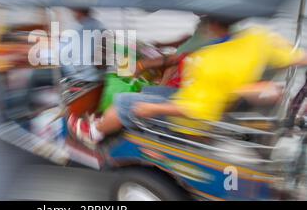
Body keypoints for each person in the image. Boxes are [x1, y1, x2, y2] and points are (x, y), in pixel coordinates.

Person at [68, 20, 307, 145]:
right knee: (150, 88)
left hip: (199, 121)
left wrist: (154, 109)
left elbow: (198, 108)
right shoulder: (259, 37)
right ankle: (105, 122)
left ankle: (95, 132)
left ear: (211, 26)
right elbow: (297, 57)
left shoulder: (209, 58)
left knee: (123, 101)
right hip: (223, 104)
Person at [62, 7, 106, 83]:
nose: (72, 14)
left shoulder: (93, 27)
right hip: (88, 76)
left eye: (74, 11)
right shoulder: (76, 27)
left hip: (89, 77)